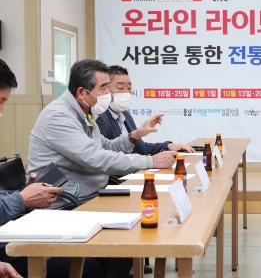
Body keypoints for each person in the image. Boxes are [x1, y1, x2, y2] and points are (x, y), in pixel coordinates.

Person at [27, 59, 178, 209]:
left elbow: (106, 146)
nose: (109, 95)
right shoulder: (58, 117)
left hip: (90, 195)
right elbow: (96, 158)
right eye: (103, 88)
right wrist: (150, 161)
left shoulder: (85, 110)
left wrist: (135, 135)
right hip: (66, 203)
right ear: (81, 92)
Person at [0, 59, 102, 278]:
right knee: (87, 266)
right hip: (7, 238)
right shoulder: (58, 115)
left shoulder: (88, 114)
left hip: (12, 226)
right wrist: (21, 199)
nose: (2, 110)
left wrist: (22, 193)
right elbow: (95, 157)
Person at [97, 65, 194, 154]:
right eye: (120, 87)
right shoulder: (99, 117)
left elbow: (140, 148)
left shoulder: (125, 114)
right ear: (106, 89)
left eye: (129, 88)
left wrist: (168, 146)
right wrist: (150, 162)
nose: (127, 92)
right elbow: (107, 155)